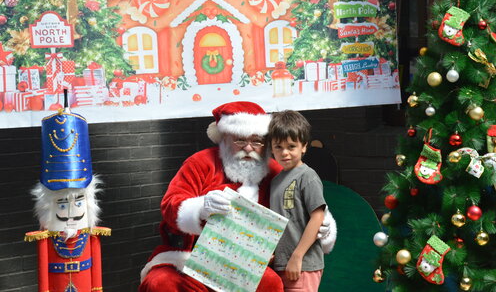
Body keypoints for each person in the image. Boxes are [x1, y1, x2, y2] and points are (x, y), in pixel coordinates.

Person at [139, 101, 336, 292]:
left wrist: (323, 228)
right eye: (240, 140)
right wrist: (201, 208)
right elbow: (171, 204)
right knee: (161, 283)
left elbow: (300, 205)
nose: (248, 147)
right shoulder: (200, 162)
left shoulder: (275, 171)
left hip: (246, 263)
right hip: (191, 257)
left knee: (270, 284)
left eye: (257, 141)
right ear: (224, 138)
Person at [26, 109, 111, 292]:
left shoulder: (91, 235)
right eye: (62, 205)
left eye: (79, 203)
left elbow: (96, 269)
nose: (72, 213)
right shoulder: (46, 238)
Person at [269, 110, 327, 292]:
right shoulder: (276, 180)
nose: (284, 152)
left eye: (291, 146)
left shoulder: (307, 176)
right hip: (281, 264)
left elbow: (317, 217)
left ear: (304, 147)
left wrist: (297, 256)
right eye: (278, 147)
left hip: (303, 264)